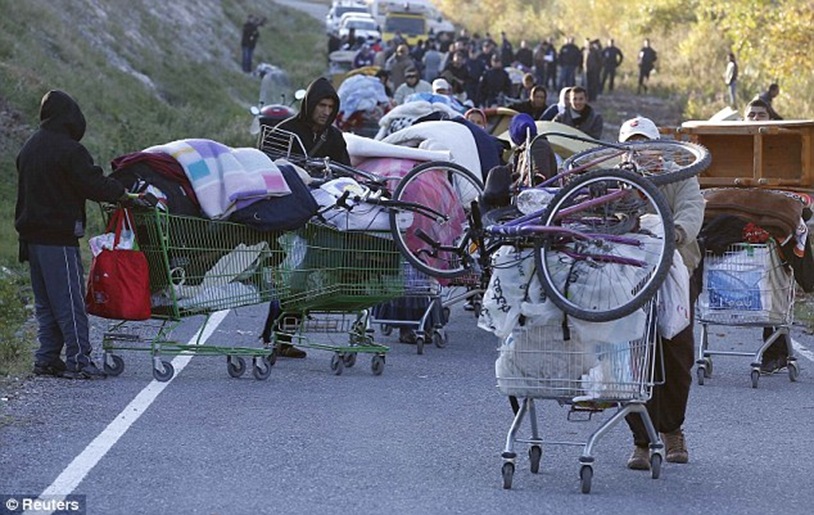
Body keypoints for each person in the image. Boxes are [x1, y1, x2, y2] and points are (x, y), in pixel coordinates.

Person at [16, 90, 133, 379]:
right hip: (58, 237)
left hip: (31, 239)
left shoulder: (31, 146)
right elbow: (92, 183)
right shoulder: (69, 150)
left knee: (46, 303)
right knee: (69, 301)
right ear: (71, 118)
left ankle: (46, 358)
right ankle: (79, 359)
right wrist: (124, 195)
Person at [618, 116, 705, 470]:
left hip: (677, 267)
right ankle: (641, 439)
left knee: (677, 352)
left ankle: (672, 431)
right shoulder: (616, 179)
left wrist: (677, 234)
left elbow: (692, 207)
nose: (640, 152)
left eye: (645, 143)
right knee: (630, 354)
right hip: (629, 271)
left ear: (659, 145)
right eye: (632, 145)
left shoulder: (681, 174)